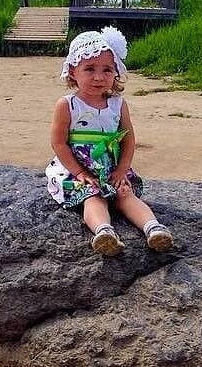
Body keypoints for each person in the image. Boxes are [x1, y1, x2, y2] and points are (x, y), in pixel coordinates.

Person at [46, 26, 174, 256]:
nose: (98, 77)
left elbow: (128, 138)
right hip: (79, 167)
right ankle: (104, 231)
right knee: (92, 196)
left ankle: (153, 228)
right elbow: (59, 143)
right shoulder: (67, 105)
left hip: (111, 166)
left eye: (107, 69)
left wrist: (122, 169)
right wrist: (78, 172)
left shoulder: (118, 103)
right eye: (89, 69)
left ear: (116, 72)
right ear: (73, 71)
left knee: (125, 193)